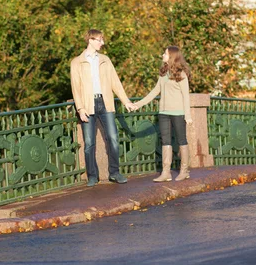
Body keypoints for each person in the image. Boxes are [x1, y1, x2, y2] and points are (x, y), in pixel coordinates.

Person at [70, 29, 136, 187]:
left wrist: (126, 101)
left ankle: (115, 173)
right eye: (99, 40)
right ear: (90, 40)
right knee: (89, 143)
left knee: (113, 138)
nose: (102, 43)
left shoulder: (105, 60)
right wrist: (80, 108)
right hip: (87, 105)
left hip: (105, 102)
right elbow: (75, 87)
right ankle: (92, 176)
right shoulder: (77, 62)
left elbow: (115, 82)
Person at [134, 46, 193, 182]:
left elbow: (186, 96)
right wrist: (138, 104)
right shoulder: (163, 73)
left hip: (178, 113)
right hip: (163, 112)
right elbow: (155, 92)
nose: (162, 55)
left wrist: (188, 116)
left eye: (165, 54)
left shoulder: (181, 74)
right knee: (165, 141)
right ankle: (166, 172)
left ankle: (184, 171)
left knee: (181, 140)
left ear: (172, 56)